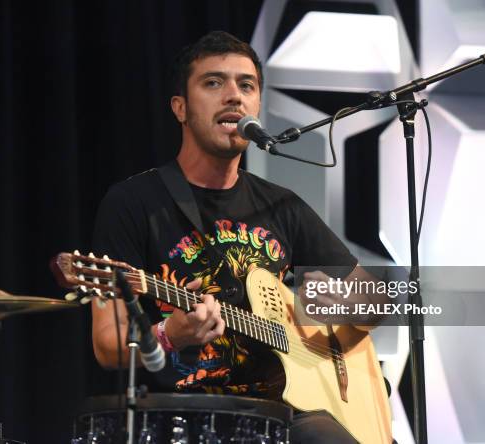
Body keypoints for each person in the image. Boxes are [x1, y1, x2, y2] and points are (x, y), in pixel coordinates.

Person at [91, 30, 368, 443]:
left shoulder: (282, 206)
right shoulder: (133, 202)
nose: (234, 96)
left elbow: (373, 299)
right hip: (182, 415)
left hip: (283, 414)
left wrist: (344, 302)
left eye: (246, 85)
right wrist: (171, 334)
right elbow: (108, 344)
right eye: (213, 82)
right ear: (180, 108)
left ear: (257, 106)